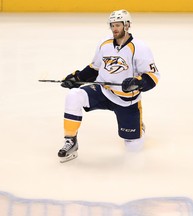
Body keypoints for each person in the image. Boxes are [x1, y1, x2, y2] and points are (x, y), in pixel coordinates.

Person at [58, 9, 160, 162]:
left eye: (118, 25)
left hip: (127, 101)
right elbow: (95, 68)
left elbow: (153, 76)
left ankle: (139, 128)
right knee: (74, 96)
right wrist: (77, 77)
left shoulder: (140, 47)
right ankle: (71, 142)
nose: (115, 29)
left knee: (133, 148)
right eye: (112, 25)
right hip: (103, 91)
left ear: (127, 25)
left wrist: (137, 83)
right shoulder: (104, 43)